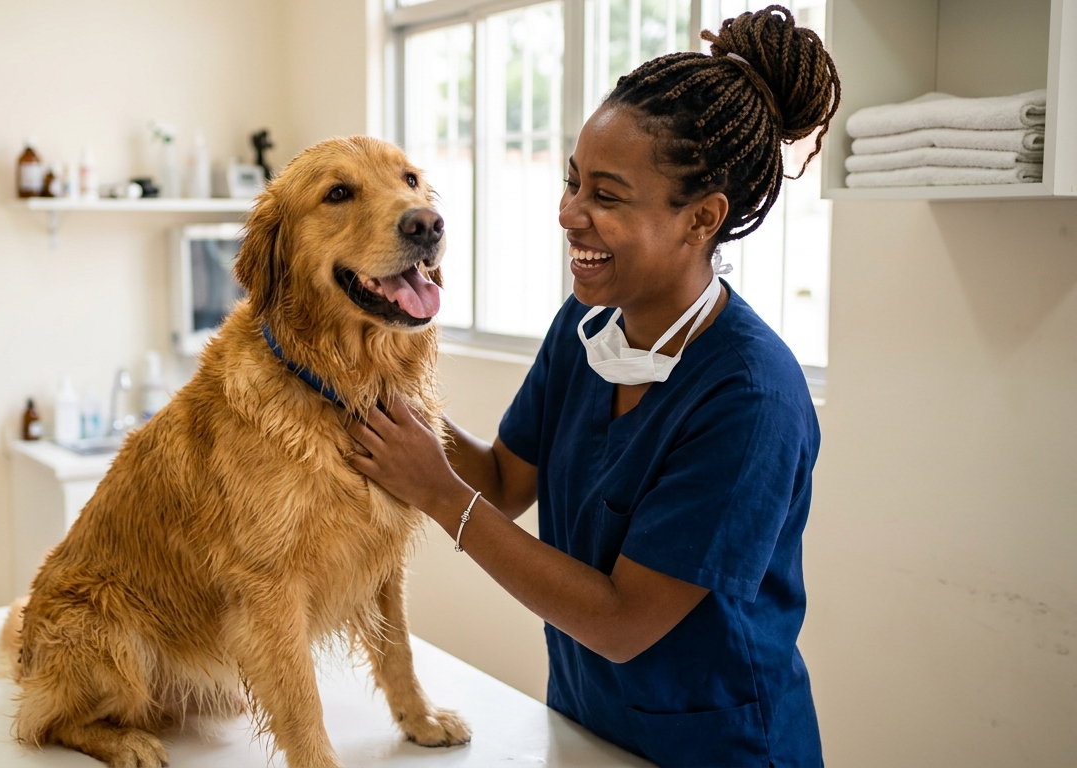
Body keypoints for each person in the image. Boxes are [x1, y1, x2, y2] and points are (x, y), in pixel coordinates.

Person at [344, 7, 840, 767]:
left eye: (606, 197)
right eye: (573, 182)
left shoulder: (751, 399)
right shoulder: (587, 331)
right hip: (585, 724)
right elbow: (506, 481)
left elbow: (621, 622)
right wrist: (367, 394)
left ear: (701, 219)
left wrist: (440, 493)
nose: (569, 214)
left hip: (718, 745)